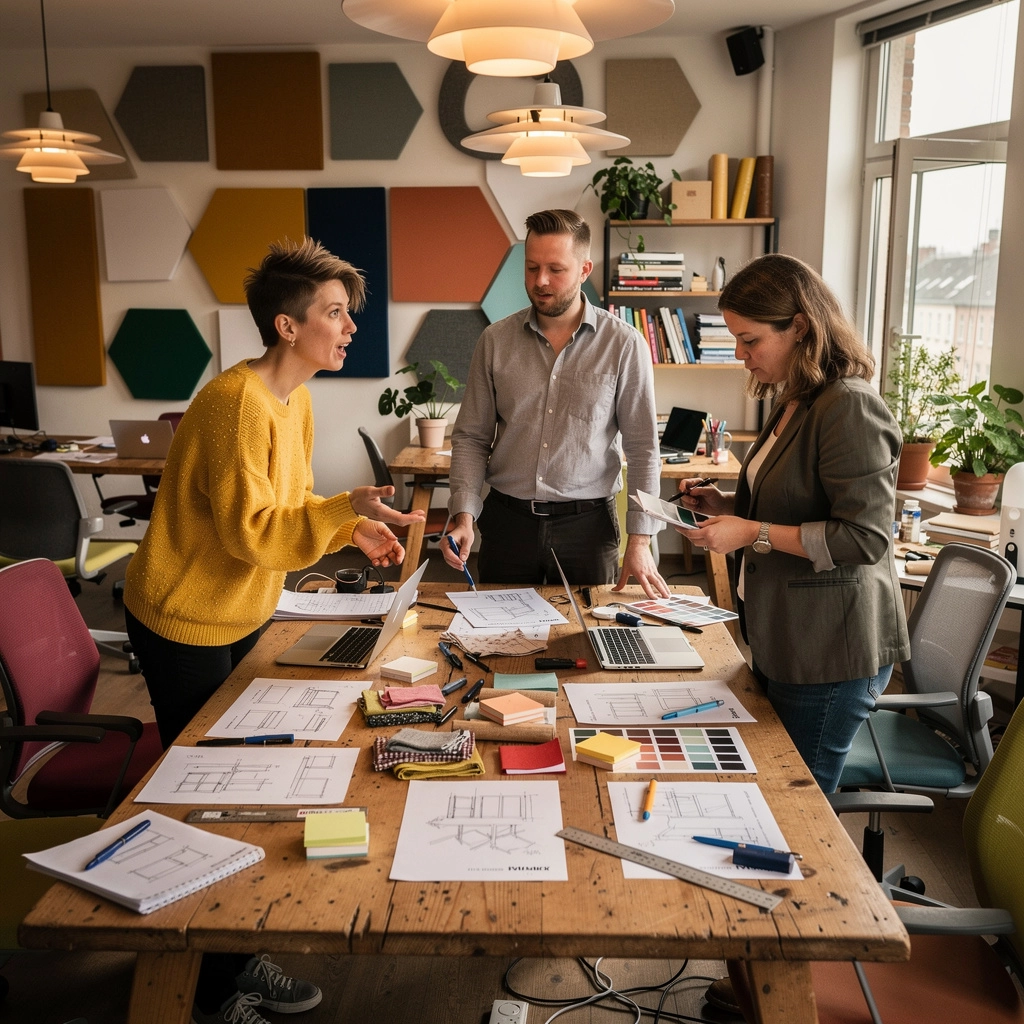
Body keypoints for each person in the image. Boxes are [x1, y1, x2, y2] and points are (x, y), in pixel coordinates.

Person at [123, 238, 423, 1024]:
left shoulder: (294, 399)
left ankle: (230, 953)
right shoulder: (236, 403)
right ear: (287, 326)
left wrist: (346, 528)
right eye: (335, 312)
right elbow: (251, 534)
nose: (350, 326)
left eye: (348, 313)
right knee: (208, 802)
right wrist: (345, 511)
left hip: (240, 614)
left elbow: (281, 516)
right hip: (185, 620)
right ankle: (210, 985)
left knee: (245, 790)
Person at [677, 253, 910, 795]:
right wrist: (727, 505)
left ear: (799, 327)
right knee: (770, 791)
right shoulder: (797, 398)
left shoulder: (849, 406)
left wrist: (749, 531)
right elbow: (796, 498)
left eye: (750, 340)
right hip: (785, 635)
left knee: (795, 806)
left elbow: (864, 536)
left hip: (828, 651)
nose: (740, 354)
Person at [442, 208, 669, 598]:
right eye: (531, 268)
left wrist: (640, 540)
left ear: (584, 269)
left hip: (589, 528)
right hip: (507, 524)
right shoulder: (495, 341)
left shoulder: (625, 344)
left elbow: (644, 449)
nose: (540, 281)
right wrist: (463, 515)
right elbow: (472, 438)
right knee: (497, 639)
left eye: (555, 269)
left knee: (592, 643)